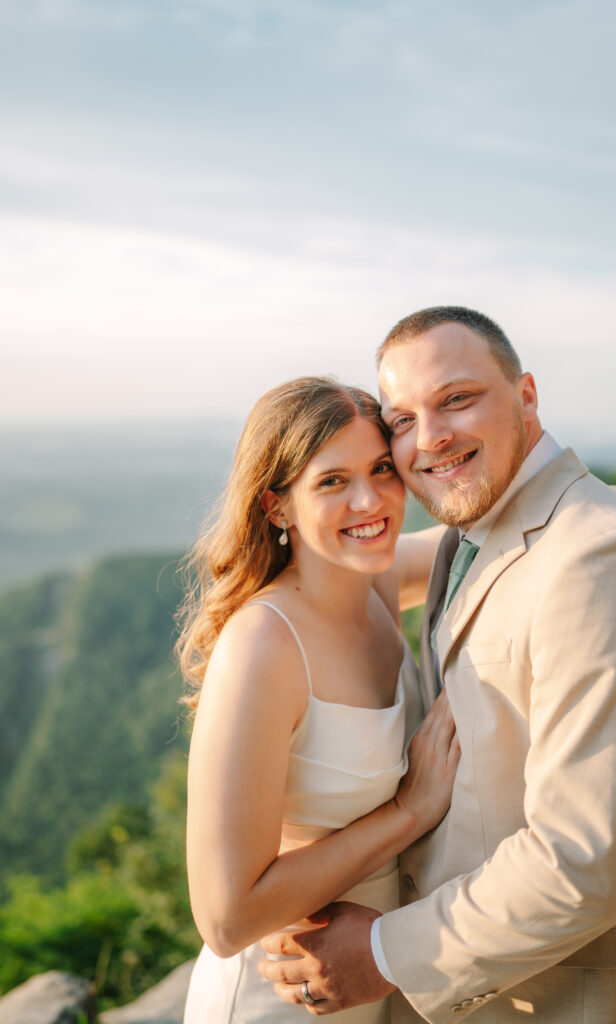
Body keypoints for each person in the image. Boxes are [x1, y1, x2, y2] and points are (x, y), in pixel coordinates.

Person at [259, 307, 616, 1022]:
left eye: (456, 399)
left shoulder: (605, 556)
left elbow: (585, 861)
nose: (429, 438)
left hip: (573, 1001)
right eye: (400, 419)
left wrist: (387, 953)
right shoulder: (476, 530)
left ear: (525, 397)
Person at [177, 376, 461, 1023]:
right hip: (278, 997)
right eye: (332, 482)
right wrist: (407, 813)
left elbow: (489, 535)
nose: (371, 500)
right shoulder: (265, 647)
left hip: (368, 982)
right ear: (277, 507)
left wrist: (615, 510)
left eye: (382, 469)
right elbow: (225, 918)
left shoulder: (376, 575)